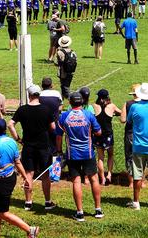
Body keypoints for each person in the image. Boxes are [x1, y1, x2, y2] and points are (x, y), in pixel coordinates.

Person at [56, 92, 104, 221]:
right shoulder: (88, 114)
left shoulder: (64, 116)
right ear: (82, 102)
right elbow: (98, 132)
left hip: (73, 154)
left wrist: (59, 151)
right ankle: (98, 210)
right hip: (88, 153)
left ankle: (80, 212)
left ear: (70, 103)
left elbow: (59, 135)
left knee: (76, 181)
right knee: (94, 179)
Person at [8, 84, 56, 211]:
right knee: (45, 175)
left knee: (28, 173)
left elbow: (10, 124)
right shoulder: (46, 109)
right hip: (43, 145)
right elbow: (53, 128)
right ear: (38, 95)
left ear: (29, 95)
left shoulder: (22, 109)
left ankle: (28, 202)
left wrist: (17, 138)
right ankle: (47, 201)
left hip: (28, 145)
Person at [93, 89, 122, 186]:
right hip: (108, 135)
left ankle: (102, 179)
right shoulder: (111, 106)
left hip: (98, 134)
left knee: (100, 158)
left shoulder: (95, 106)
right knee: (110, 155)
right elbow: (121, 112)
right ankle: (109, 174)